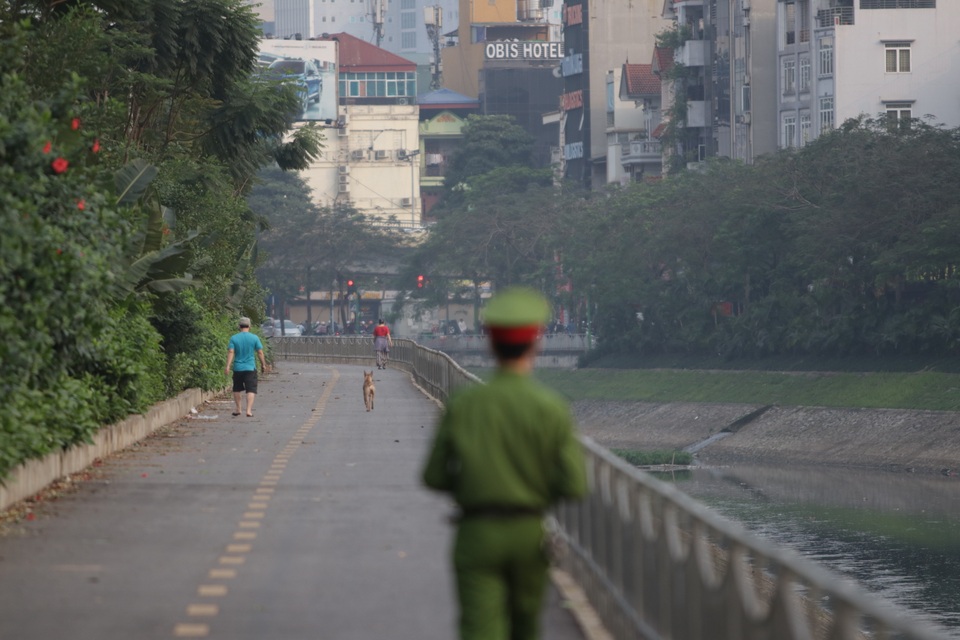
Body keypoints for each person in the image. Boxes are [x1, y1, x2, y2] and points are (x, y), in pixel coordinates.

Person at [421, 287, 587, 640]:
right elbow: (574, 484)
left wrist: (472, 484)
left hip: (476, 532)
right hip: (529, 534)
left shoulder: (466, 404)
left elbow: (434, 476)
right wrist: (533, 487)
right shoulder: (550, 406)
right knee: (526, 627)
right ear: (536, 344)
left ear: (490, 344)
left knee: (479, 628)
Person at [225, 316, 268, 417]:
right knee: (251, 389)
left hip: (238, 368)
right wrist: (263, 364)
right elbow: (260, 352)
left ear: (239, 326)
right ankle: (248, 410)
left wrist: (227, 366)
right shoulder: (254, 338)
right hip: (250, 368)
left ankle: (238, 409)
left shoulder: (234, 338)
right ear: (249, 326)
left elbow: (231, 351)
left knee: (237, 388)